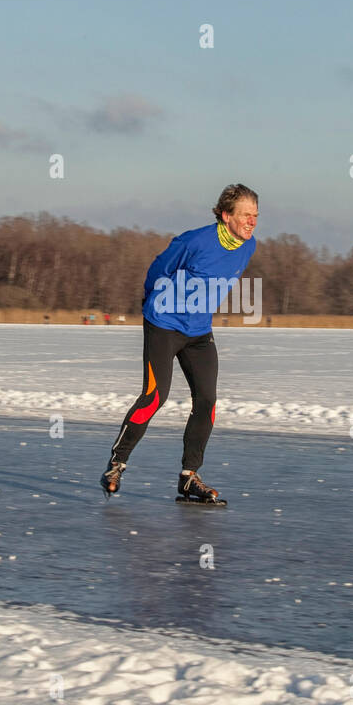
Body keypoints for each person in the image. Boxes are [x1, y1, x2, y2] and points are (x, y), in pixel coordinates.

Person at [101, 184, 258, 503]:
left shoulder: (248, 246)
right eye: (245, 215)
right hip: (164, 325)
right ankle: (117, 464)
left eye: (255, 215)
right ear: (226, 215)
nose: (252, 221)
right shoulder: (194, 241)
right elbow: (159, 269)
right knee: (154, 396)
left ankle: (189, 477)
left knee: (207, 401)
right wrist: (153, 301)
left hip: (199, 331)